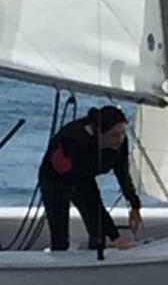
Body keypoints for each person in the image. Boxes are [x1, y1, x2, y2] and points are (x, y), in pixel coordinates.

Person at [38, 105, 143, 251]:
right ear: (100, 133)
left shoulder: (120, 143)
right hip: (55, 179)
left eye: (122, 133)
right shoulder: (79, 142)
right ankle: (60, 258)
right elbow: (91, 197)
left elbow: (122, 173)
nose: (119, 139)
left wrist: (134, 204)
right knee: (60, 237)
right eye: (114, 135)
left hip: (83, 176)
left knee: (98, 234)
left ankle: (97, 259)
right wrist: (116, 237)